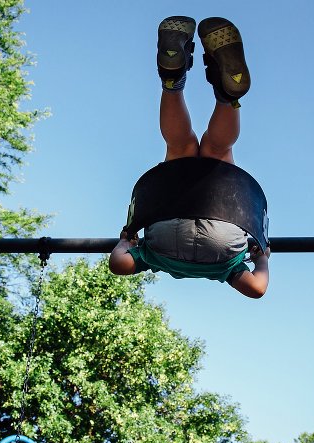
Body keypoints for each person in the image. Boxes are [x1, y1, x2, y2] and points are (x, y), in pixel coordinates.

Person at [109, 16, 270, 298]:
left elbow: (257, 287)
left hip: (225, 235)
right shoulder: (153, 259)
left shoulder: (226, 269)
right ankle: (173, 81)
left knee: (218, 153)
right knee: (179, 146)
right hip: (166, 233)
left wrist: (261, 260)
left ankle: (225, 96)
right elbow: (119, 264)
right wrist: (126, 242)